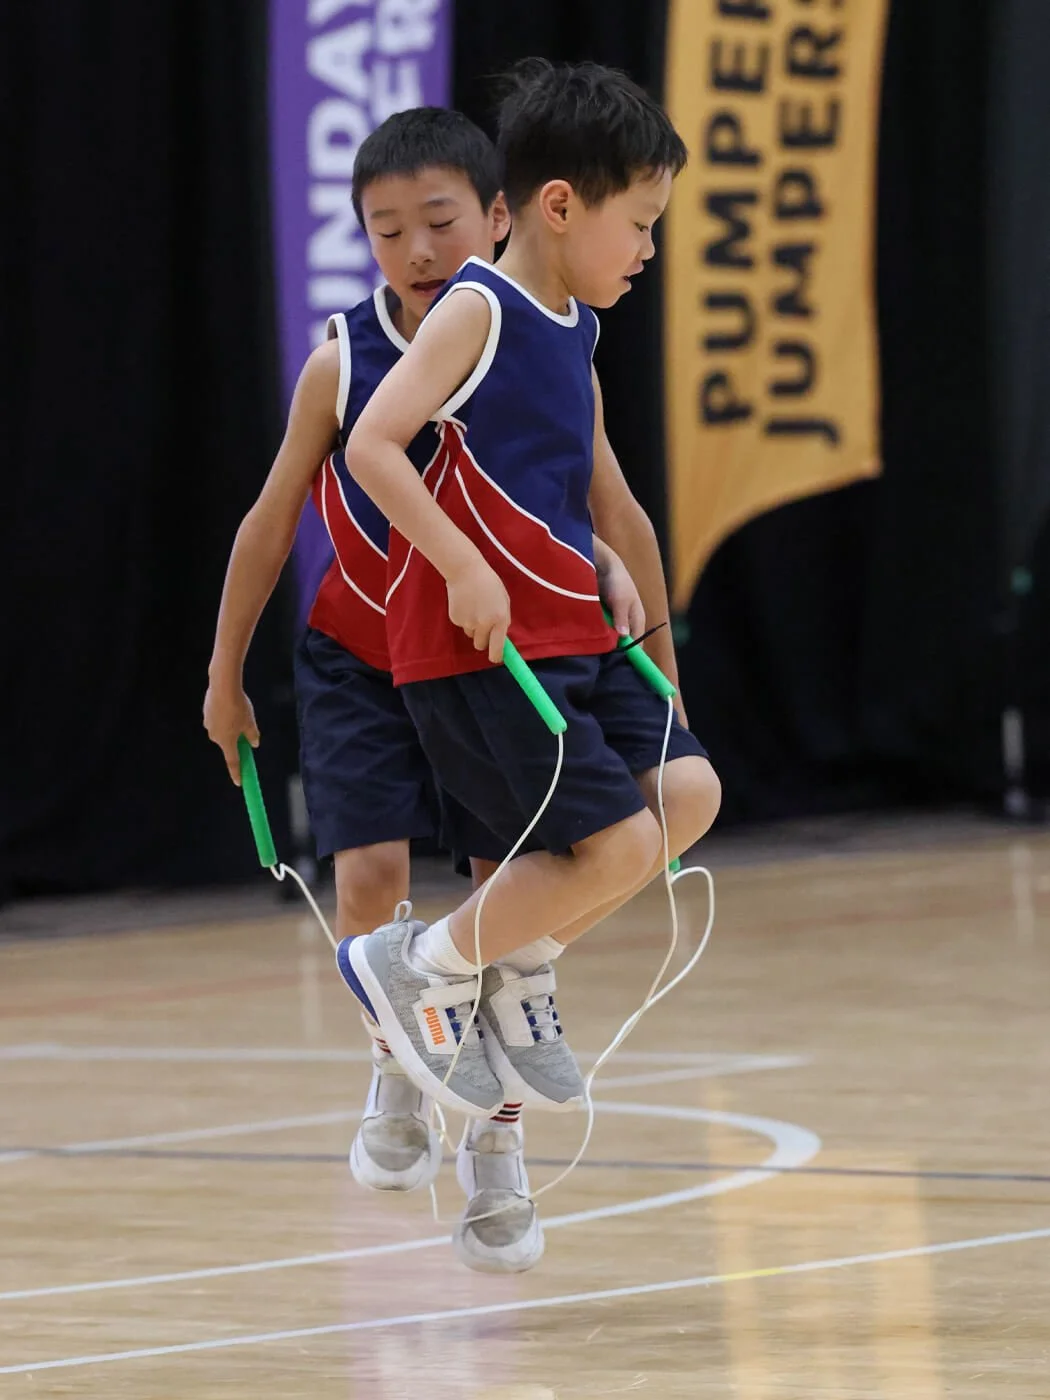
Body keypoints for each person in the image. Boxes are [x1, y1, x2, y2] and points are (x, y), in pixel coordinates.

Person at [203, 105, 671, 1273]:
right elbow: (268, 525)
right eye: (385, 229)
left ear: (503, 214)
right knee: (368, 879)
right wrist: (224, 674)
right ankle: (394, 1064)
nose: (415, 248)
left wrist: (650, 648)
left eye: (440, 221)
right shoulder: (344, 361)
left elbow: (603, 501)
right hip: (365, 656)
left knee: (511, 899)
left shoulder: (535, 334)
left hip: (499, 648)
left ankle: (499, 1151)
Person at [338, 60, 722, 1127]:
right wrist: (462, 563)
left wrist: (664, 666)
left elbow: (619, 515)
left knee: (686, 797)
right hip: (476, 644)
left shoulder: (579, 329)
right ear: (560, 205)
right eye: (640, 222)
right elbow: (371, 443)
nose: (649, 248)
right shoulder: (479, 309)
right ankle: (414, 962)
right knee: (619, 846)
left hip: (573, 630)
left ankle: (506, 960)